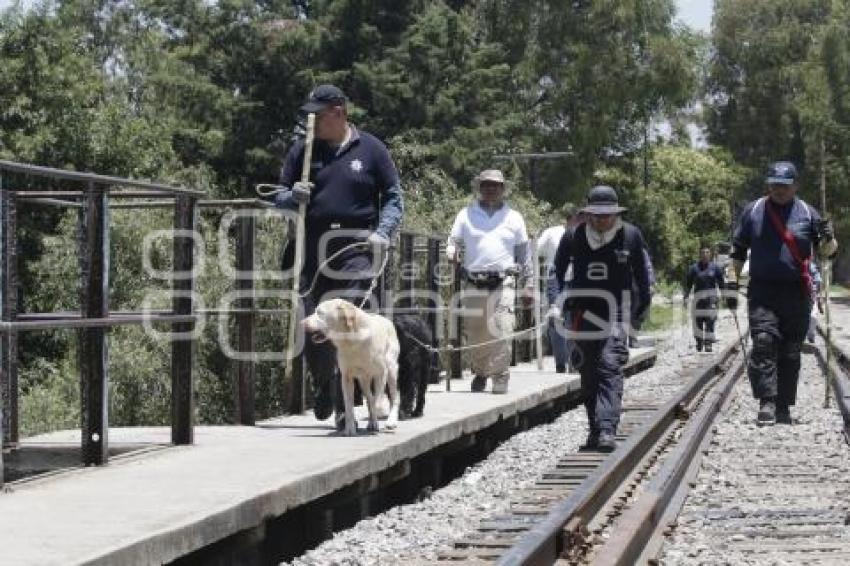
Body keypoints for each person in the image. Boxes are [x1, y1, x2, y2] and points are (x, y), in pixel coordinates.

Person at [274, 84, 403, 429]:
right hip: (311, 246)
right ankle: (327, 382)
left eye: (317, 113)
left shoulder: (372, 149)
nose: (310, 120)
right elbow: (278, 194)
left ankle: (350, 402)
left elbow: (393, 197)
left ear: (338, 112)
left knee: (346, 317)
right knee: (313, 326)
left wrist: (383, 232)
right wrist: (291, 197)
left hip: (357, 247)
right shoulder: (302, 151)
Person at [729, 161, 837, 425]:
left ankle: (784, 406)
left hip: (797, 293)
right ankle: (766, 402)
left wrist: (829, 238)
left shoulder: (807, 213)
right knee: (764, 342)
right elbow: (738, 249)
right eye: (775, 184)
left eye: (784, 185)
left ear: (795, 186)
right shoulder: (753, 211)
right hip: (762, 291)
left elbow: (828, 252)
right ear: (769, 184)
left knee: (790, 350)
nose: (779, 190)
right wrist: (732, 280)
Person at [554, 185, 652, 451]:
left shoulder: (630, 236)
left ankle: (607, 428)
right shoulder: (572, 236)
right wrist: (557, 303)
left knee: (610, 364)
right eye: (596, 215)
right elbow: (558, 273)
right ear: (588, 214)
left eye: (607, 215)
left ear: (615, 213)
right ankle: (595, 429)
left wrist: (639, 314)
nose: (601, 220)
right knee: (588, 371)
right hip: (582, 310)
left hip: (618, 308)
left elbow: (643, 278)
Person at [446, 169, 534, 394]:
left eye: (495, 185)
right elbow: (453, 240)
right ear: (479, 187)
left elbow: (524, 254)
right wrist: (451, 251)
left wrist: (528, 284)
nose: (491, 189)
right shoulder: (465, 214)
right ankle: (481, 371)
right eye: (486, 185)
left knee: (503, 328)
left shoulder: (514, 217)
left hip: (503, 281)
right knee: (477, 331)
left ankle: (500, 374)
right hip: (474, 281)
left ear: (503, 189)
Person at [537, 204, 582, 373]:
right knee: (556, 319)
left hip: (577, 277)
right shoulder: (552, 232)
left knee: (576, 318)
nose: (578, 221)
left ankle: (575, 360)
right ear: (569, 219)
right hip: (555, 277)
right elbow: (536, 249)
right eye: (575, 218)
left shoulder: (586, 234)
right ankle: (560, 362)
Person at [683, 246, 726, 352]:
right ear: (700, 254)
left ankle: (708, 343)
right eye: (703, 253)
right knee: (697, 322)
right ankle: (699, 341)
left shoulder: (715, 268)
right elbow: (688, 284)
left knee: (710, 321)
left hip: (711, 299)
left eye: (707, 252)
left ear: (710, 254)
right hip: (698, 300)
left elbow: (721, 283)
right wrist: (686, 297)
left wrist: (724, 294)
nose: (705, 255)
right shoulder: (694, 268)